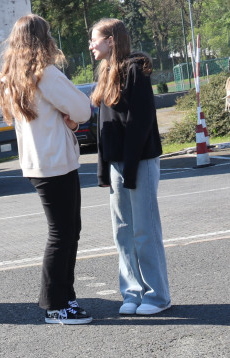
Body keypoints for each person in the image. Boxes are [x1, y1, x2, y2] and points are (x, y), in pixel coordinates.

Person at [0, 14, 94, 325]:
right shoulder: (46, 75)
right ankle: (57, 304)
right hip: (56, 162)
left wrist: (69, 118)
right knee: (63, 234)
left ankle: (64, 298)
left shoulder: (12, 76)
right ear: (43, 38)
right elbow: (82, 109)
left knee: (66, 232)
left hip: (38, 163)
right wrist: (73, 119)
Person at [90, 18, 171, 315]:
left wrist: (133, 167)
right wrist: (103, 168)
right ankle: (132, 292)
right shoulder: (106, 72)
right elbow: (104, 127)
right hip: (117, 164)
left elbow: (141, 122)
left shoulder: (136, 70)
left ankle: (158, 296)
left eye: (94, 40)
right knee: (122, 231)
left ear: (111, 40)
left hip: (140, 161)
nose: (90, 45)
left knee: (145, 231)